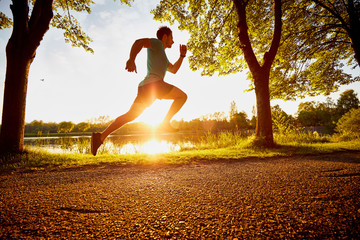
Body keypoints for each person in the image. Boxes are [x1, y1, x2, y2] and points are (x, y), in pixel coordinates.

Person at [91, 26, 188, 156]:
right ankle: (165, 122)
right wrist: (131, 59)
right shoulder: (157, 43)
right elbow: (139, 42)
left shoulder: (163, 58)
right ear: (165, 37)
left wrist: (182, 56)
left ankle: (100, 137)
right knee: (182, 97)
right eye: (172, 38)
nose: (173, 42)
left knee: (130, 116)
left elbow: (174, 70)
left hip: (145, 87)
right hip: (155, 85)